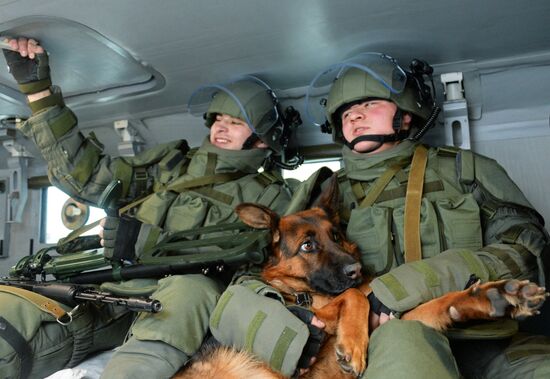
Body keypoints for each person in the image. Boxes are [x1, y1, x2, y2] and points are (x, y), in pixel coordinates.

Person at [210, 53, 550, 378]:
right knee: (403, 345)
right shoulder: (318, 194)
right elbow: (263, 271)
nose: (355, 116)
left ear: (405, 115)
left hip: (489, 341)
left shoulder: (464, 170)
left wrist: (403, 288)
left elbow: (526, 250)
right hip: (379, 341)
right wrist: (290, 329)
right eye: (346, 112)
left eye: (369, 104)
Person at [0, 37, 300, 379]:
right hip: (104, 287)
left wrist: (149, 243)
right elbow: (90, 177)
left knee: (191, 291)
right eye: (218, 118)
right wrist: (40, 94)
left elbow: (263, 266)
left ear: (263, 138)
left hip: (179, 307)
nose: (220, 127)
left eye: (235, 122)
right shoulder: (171, 165)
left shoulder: (274, 198)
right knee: (11, 328)